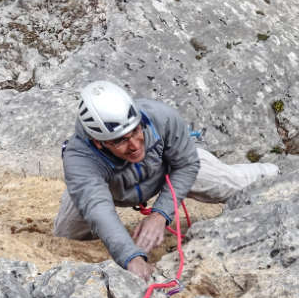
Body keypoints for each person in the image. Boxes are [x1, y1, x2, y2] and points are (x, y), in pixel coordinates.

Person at [54, 80, 279, 281]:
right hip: (102, 190)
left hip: (171, 171)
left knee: (237, 184)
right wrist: (131, 257)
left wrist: (160, 214)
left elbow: (187, 164)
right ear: (98, 142)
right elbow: (97, 206)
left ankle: (271, 172)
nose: (134, 144)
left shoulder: (160, 116)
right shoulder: (79, 160)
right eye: (120, 141)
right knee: (67, 235)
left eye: (136, 131)